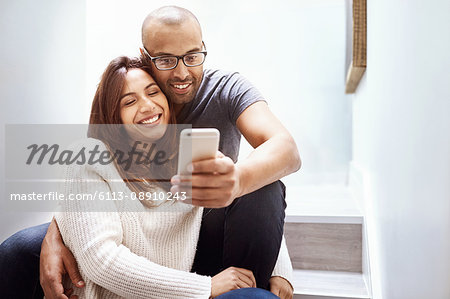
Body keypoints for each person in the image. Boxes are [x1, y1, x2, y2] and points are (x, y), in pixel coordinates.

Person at [0, 5, 300, 299]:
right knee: (22, 247)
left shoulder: (218, 102)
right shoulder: (124, 111)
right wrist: (60, 230)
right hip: (142, 241)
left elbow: (276, 160)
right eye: (167, 60)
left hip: (196, 235)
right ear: (148, 60)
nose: (182, 72)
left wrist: (278, 260)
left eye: (193, 57)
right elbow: (90, 206)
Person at [49, 55, 283, 298]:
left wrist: (279, 268)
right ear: (112, 117)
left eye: (153, 92)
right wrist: (206, 287)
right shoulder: (89, 155)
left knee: (267, 189)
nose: (148, 105)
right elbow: (102, 261)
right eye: (129, 102)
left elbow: (240, 192)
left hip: (187, 286)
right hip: (159, 292)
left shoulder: (186, 154)